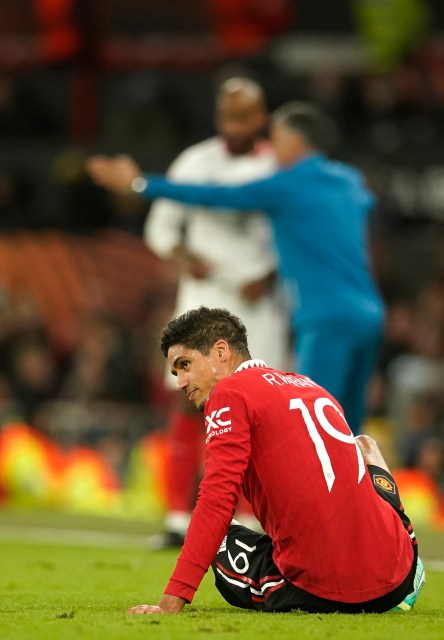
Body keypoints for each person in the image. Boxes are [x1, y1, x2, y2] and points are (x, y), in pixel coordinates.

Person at [87, 101, 385, 438]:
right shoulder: (349, 181)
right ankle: (361, 490)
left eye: (276, 137)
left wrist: (140, 185)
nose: (272, 147)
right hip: (370, 313)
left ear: (296, 141)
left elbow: (217, 195)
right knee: (351, 426)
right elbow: (365, 202)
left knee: (316, 426)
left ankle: (313, 492)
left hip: (327, 317)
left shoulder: (288, 185)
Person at [126, 306, 424, 614]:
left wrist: (172, 600)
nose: (180, 382)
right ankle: (412, 565)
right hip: (396, 574)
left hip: (325, 587)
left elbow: (217, 497)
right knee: (366, 445)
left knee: (218, 539)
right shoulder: (310, 386)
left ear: (220, 352)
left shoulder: (228, 393)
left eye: (185, 364)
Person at [141, 77, 288, 549]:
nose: (238, 125)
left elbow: (301, 232)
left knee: (261, 409)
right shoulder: (196, 162)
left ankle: (249, 520)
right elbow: (161, 228)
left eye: (247, 116)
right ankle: (177, 518)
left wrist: (273, 272)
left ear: (263, 117)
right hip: (204, 300)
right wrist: (187, 259)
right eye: (230, 116)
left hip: (260, 305)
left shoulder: (279, 165)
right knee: (185, 404)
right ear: (218, 117)